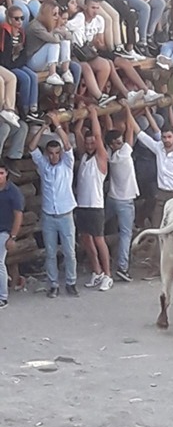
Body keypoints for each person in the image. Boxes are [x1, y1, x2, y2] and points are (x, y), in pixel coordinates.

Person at [29, 114, 78, 298]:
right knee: (50, 253)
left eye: (57, 153)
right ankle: (53, 284)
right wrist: (44, 127)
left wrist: (57, 125)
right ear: (47, 154)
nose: (54, 156)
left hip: (65, 215)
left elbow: (68, 145)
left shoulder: (67, 164)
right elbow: (32, 147)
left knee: (69, 252)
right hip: (49, 215)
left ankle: (71, 282)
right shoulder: (43, 165)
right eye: (51, 153)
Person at [124, 103, 173, 225]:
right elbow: (140, 134)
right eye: (164, 137)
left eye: (169, 137)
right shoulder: (158, 147)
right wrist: (128, 110)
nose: (166, 140)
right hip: (161, 193)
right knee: (157, 224)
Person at [74, 105, 113, 291]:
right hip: (82, 205)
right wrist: (82, 114)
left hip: (96, 205)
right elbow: (76, 132)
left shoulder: (101, 158)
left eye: (92, 143)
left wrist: (94, 115)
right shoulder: (84, 156)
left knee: (99, 240)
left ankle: (108, 275)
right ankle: (97, 271)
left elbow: (98, 136)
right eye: (87, 143)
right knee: (86, 240)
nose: (89, 145)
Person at [105, 110, 139, 282]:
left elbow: (111, 132)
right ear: (114, 144)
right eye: (118, 141)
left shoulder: (110, 154)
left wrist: (107, 114)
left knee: (100, 226)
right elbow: (130, 130)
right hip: (125, 200)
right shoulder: (124, 152)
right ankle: (122, 267)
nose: (122, 142)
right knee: (126, 234)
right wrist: (127, 110)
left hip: (112, 197)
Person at [0, 6, 43, 124]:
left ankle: (33, 109)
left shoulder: (21, 33)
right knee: (25, 78)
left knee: (33, 76)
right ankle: (24, 110)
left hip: (17, 63)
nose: (20, 21)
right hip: (7, 64)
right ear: (9, 19)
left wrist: (19, 60)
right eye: (16, 18)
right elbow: (4, 56)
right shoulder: (4, 32)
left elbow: (25, 53)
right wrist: (16, 56)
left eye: (22, 18)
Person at [26, 0, 75, 88]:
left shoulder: (49, 24)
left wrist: (60, 32)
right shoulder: (36, 26)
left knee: (65, 42)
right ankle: (52, 74)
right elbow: (53, 39)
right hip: (32, 61)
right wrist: (59, 32)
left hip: (44, 60)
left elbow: (70, 38)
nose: (57, 17)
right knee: (54, 44)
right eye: (54, 14)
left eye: (58, 14)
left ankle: (65, 71)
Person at [0, 162, 24, 310]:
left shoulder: (13, 192)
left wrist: (13, 236)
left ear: (7, 173)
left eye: (1, 173)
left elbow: (18, 215)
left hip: (4, 231)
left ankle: (3, 297)